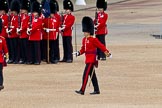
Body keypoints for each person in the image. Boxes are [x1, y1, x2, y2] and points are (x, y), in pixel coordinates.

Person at [74, 16, 111, 95]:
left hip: (92, 60)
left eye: (85, 31)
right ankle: (97, 90)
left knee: (85, 75)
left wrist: (107, 52)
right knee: (92, 75)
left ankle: (82, 90)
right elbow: (83, 49)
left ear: (89, 31)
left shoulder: (93, 40)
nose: (84, 33)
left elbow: (101, 46)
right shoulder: (84, 39)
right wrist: (78, 53)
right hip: (87, 59)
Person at [27, 0, 42, 65]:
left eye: (35, 12)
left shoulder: (39, 19)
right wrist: (28, 28)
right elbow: (29, 24)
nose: (34, 13)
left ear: (38, 13)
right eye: (33, 12)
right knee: (31, 49)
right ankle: (32, 60)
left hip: (36, 35)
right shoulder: (32, 19)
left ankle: (37, 60)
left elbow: (36, 26)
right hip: (31, 36)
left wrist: (30, 30)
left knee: (37, 49)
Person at [0, 18, 9, 91]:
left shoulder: (2, 39)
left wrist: (7, 56)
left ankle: (0, 84)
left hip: (0, 58)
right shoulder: (2, 39)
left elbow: (5, 49)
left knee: (0, 72)